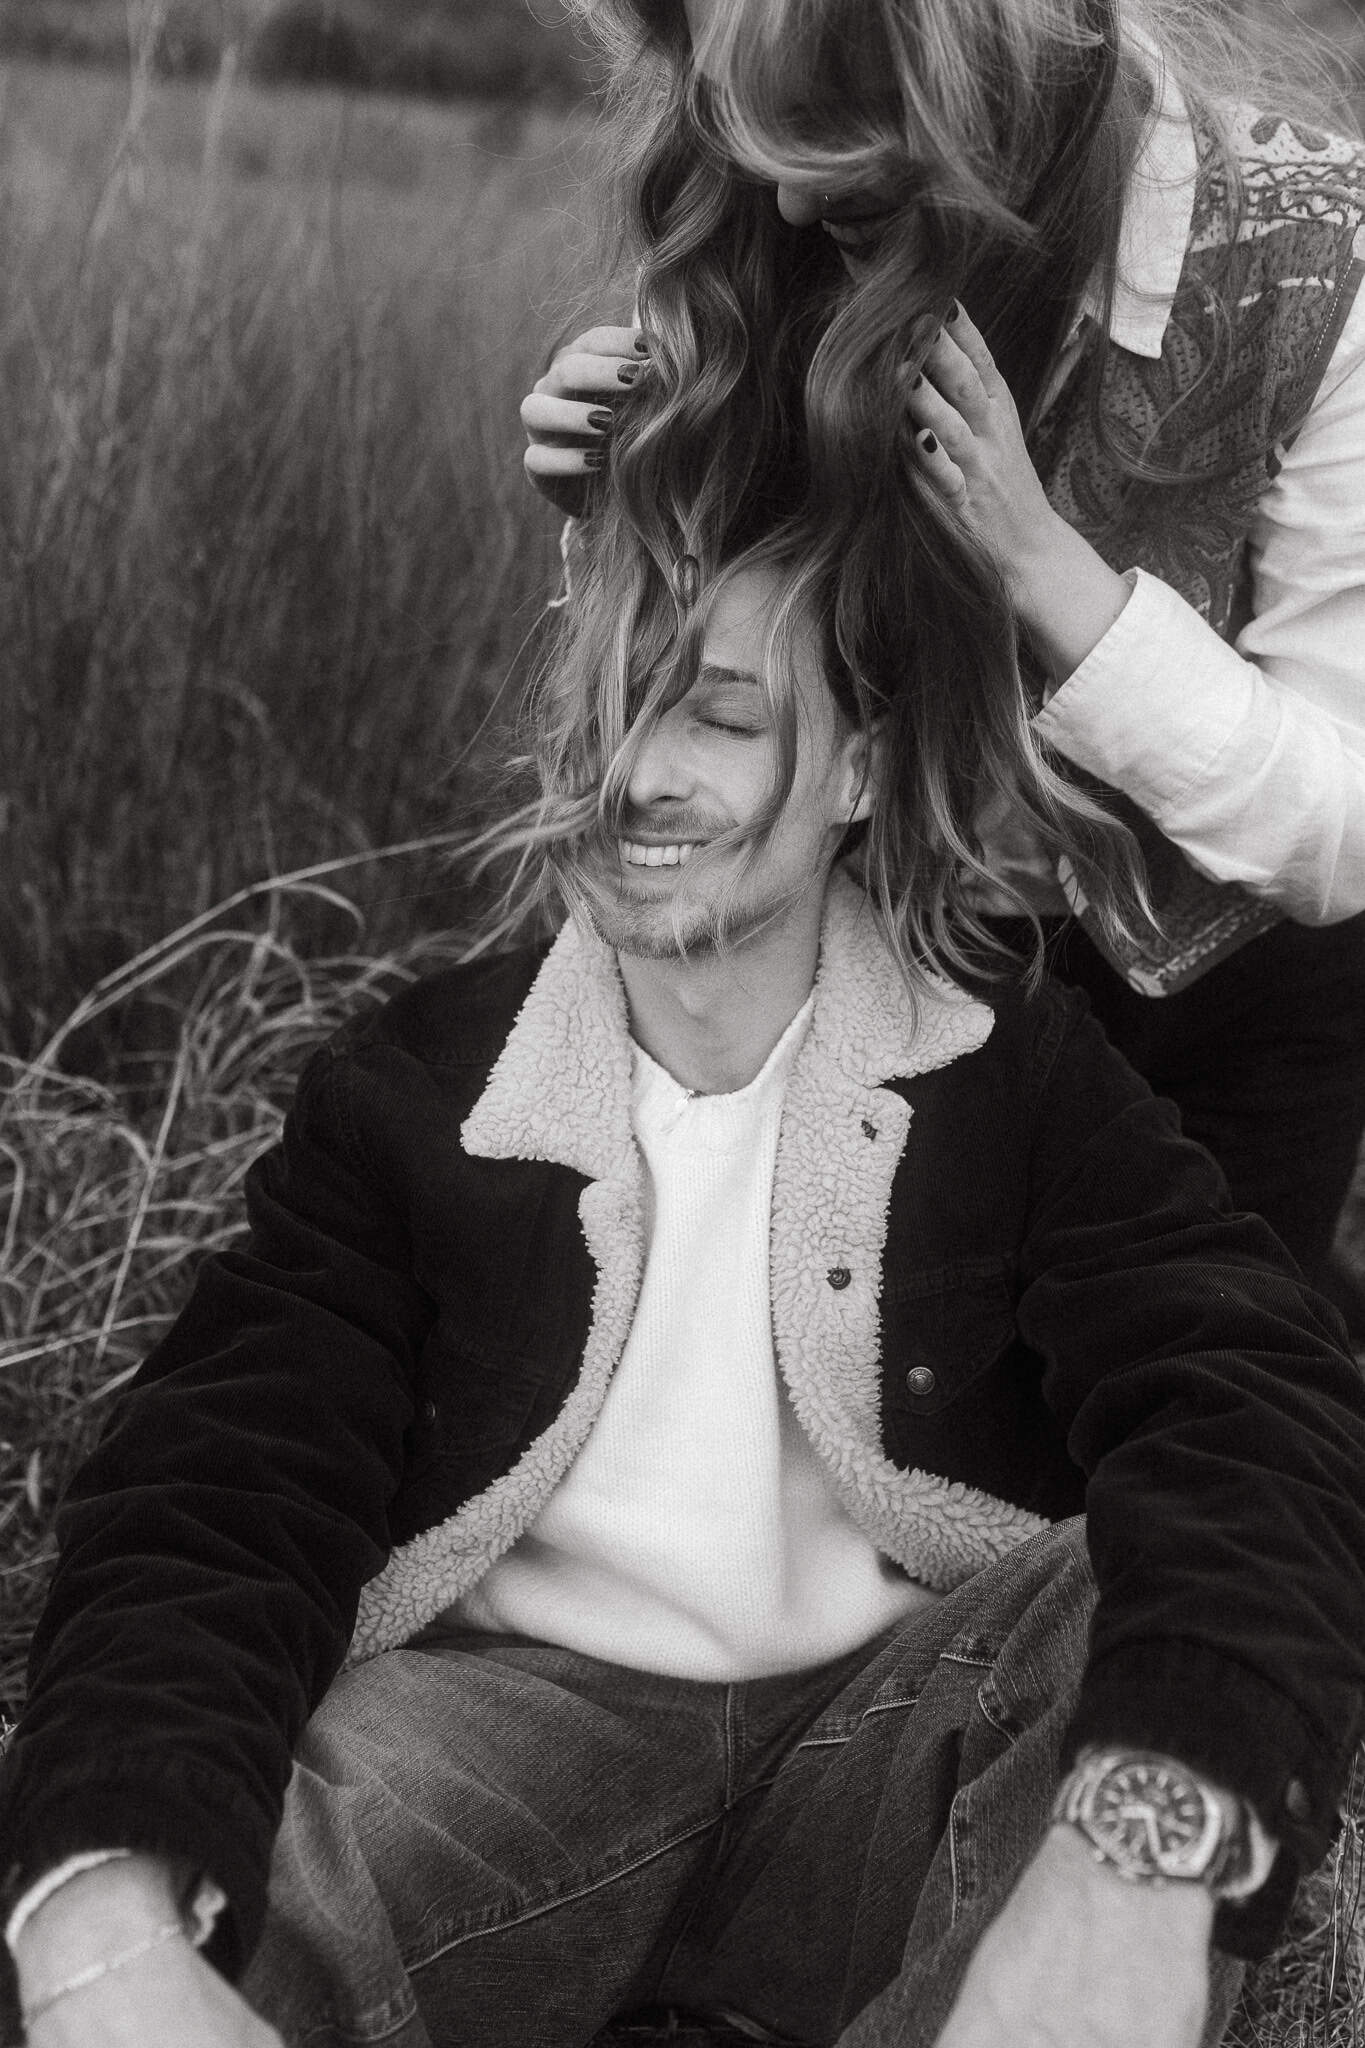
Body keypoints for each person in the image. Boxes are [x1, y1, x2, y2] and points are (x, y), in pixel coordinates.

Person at [2, 493, 1364, 2048]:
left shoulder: (1014, 1072)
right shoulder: (417, 1090)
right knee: (131, 1895)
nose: (637, 773)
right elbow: (216, 1493)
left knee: (1129, 1618)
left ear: (858, 768)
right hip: (500, 1744)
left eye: (719, 715)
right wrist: (103, 1934)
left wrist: (1135, 1866)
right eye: (607, 707)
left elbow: (1249, 1407)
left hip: (890, 1737)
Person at [521, 0, 1365, 1283]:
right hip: (866, 966)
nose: (792, 201)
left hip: (1227, 1031)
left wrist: (1042, 568)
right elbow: (714, 707)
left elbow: (1341, 828)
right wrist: (624, 525)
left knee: (1206, 1384)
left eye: (838, 122)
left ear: (987, 70)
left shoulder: (1320, 248)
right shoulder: (764, 201)